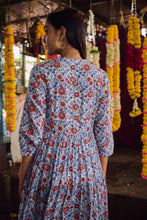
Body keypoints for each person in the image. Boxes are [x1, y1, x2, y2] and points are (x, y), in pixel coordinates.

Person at [18, 8, 114, 220]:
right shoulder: (99, 77)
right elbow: (104, 134)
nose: (45, 38)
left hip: (49, 169)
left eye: (47, 31)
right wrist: (99, 179)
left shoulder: (42, 73)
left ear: (61, 33)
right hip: (90, 169)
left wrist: (23, 176)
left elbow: (32, 131)